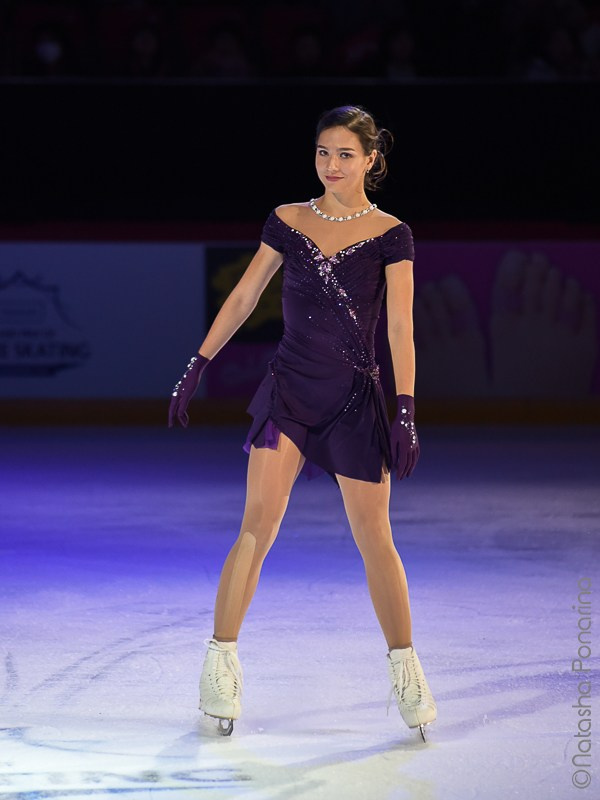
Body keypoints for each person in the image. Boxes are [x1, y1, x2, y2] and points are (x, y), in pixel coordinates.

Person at [168, 104, 437, 741]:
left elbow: (400, 327)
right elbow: (244, 294)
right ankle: (220, 664)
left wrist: (405, 408)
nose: (332, 165)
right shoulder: (288, 220)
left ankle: (406, 669)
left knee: (377, 541)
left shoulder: (392, 232)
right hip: (288, 392)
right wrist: (199, 360)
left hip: (353, 401)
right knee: (255, 528)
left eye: (346, 154)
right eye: (323, 152)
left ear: (372, 159)